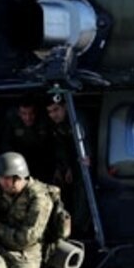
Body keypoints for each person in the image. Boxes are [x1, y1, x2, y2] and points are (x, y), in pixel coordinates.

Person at [45, 95, 90, 234]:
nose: (53, 115)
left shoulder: (78, 119)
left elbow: (86, 141)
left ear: (65, 107)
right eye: (50, 112)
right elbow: (61, 148)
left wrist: (88, 156)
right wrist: (63, 167)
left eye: (56, 110)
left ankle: (81, 229)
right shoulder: (57, 125)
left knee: (83, 192)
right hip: (71, 165)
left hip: (84, 165)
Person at [0, 100, 52, 181]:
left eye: (31, 113)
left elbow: (52, 147)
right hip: (18, 166)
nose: (28, 118)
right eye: (24, 113)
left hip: (43, 165)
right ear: (19, 114)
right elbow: (6, 146)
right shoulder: (13, 125)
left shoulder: (45, 124)